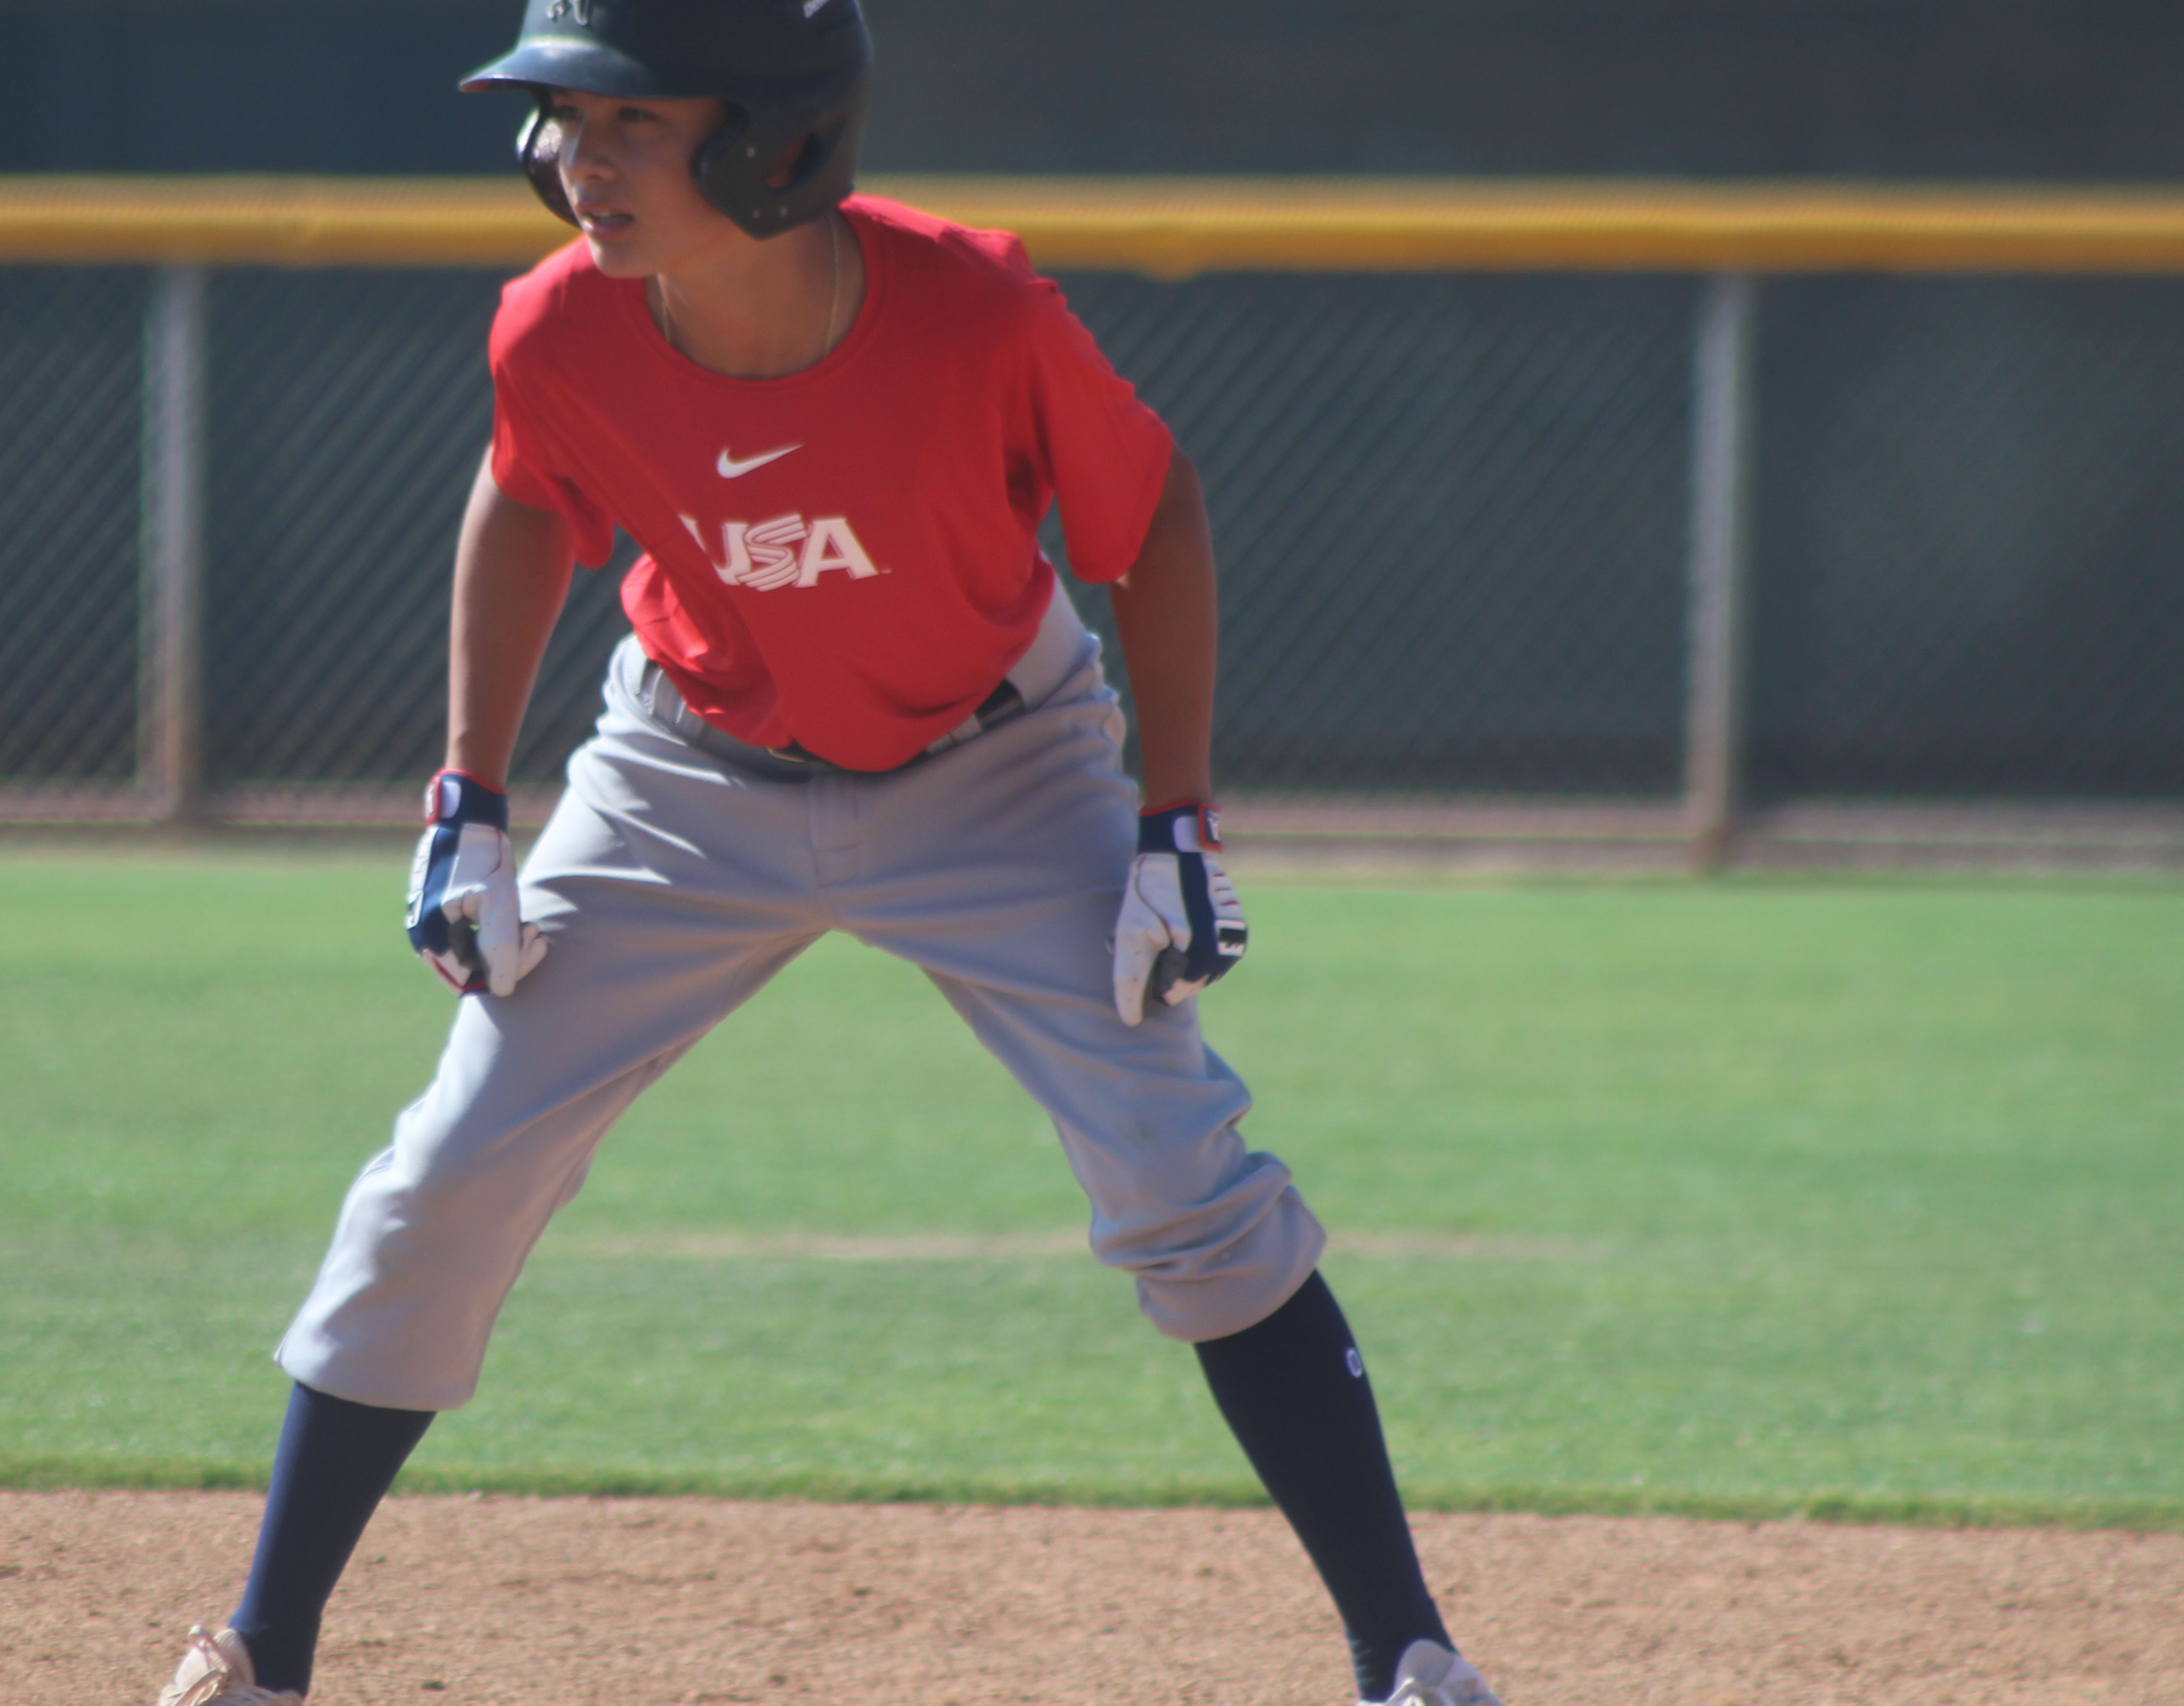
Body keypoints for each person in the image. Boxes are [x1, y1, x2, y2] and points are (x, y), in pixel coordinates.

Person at [162, 3, 1503, 1703]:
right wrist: (468, 795)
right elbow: (524, 495)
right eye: (562, 118)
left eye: (632, 121)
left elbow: (1148, 516)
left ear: (775, 139)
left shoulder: (977, 311)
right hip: (684, 771)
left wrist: (1175, 820)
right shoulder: (558, 327)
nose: (580, 156)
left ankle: (1409, 1655)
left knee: (1183, 1172)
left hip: (999, 766)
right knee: (448, 1169)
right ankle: (264, 1648)